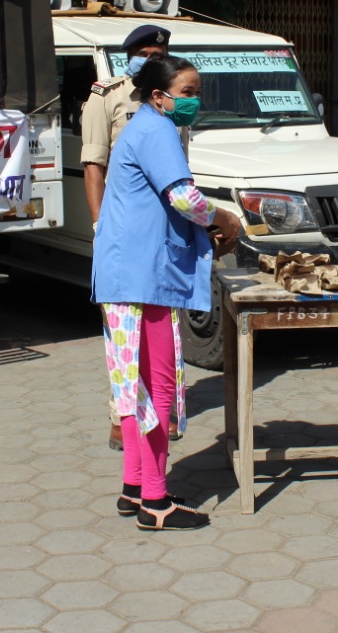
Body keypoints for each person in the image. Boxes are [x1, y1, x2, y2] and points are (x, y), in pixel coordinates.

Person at [92, 55, 242, 530]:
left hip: (124, 274)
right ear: (160, 96)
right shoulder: (157, 130)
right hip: (144, 278)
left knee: (131, 386)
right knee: (156, 387)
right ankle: (155, 502)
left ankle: (134, 484)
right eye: (188, 91)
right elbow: (183, 196)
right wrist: (226, 218)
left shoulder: (139, 126)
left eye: (199, 91)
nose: (195, 100)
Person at [81, 24, 174, 451]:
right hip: (121, 228)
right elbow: (94, 164)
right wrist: (100, 226)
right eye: (145, 53)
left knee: (161, 326)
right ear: (129, 56)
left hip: (161, 229)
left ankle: (162, 409)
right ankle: (122, 415)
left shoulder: (170, 98)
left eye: (159, 54)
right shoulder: (109, 97)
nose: (151, 60)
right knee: (123, 328)